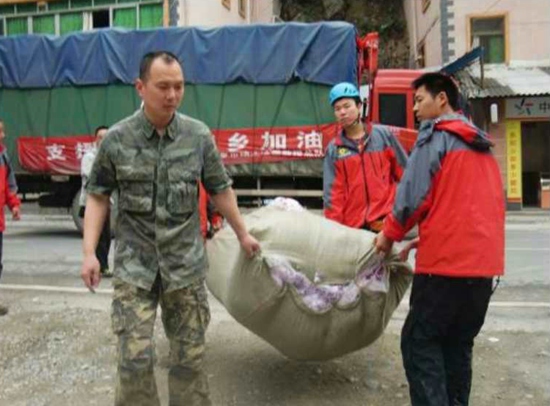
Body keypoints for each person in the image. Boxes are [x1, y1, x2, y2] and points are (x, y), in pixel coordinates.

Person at [80, 51, 260, 406]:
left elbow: (221, 189)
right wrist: (90, 254)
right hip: (135, 268)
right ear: (140, 87)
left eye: (179, 86)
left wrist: (243, 233)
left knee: (189, 362)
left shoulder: (197, 136)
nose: (172, 95)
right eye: (163, 86)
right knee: (133, 361)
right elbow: (98, 196)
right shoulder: (117, 139)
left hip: (185, 269)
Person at [374, 72, 505, 406]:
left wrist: (388, 237)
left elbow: (412, 197)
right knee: (457, 345)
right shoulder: (481, 145)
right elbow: (467, 206)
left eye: (420, 100)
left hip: (445, 269)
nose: (415, 109)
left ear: (442, 99)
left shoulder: (436, 136)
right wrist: (426, 238)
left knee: (419, 342)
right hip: (482, 270)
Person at [323, 82, 407, 232]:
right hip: (353, 228)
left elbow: (406, 175)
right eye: (337, 109)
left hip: (384, 223)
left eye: (347, 106)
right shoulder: (334, 150)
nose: (342, 112)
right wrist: (334, 230)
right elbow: (333, 196)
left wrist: (397, 213)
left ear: (359, 106)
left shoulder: (383, 136)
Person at [79, 125, 112, 277]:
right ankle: (97, 265)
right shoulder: (89, 157)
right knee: (96, 236)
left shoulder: (110, 156)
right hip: (90, 202)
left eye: (106, 137)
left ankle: (103, 265)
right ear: (95, 139)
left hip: (107, 202)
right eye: (100, 137)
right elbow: (91, 178)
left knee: (106, 236)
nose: (103, 140)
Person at [0, 119, 21, 316]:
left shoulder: (2, 155)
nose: (3, 135)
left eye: (2, 131)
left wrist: (14, 205)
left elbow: (8, 184)